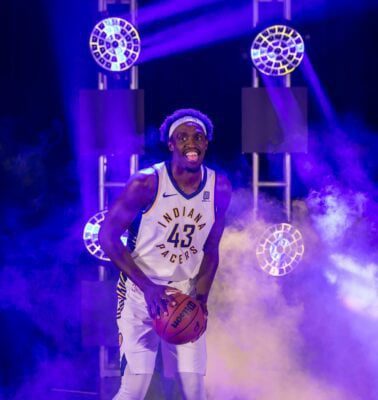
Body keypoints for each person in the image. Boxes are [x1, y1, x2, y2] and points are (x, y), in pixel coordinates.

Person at [99, 108, 232, 400]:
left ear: (206, 143)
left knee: (195, 392)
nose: (191, 143)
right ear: (171, 144)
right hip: (139, 292)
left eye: (198, 137)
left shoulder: (219, 187)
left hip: (183, 296)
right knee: (134, 388)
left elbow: (211, 249)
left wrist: (201, 298)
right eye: (182, 137)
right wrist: (147, 288)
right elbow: (106, 237)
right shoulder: (145, 183)